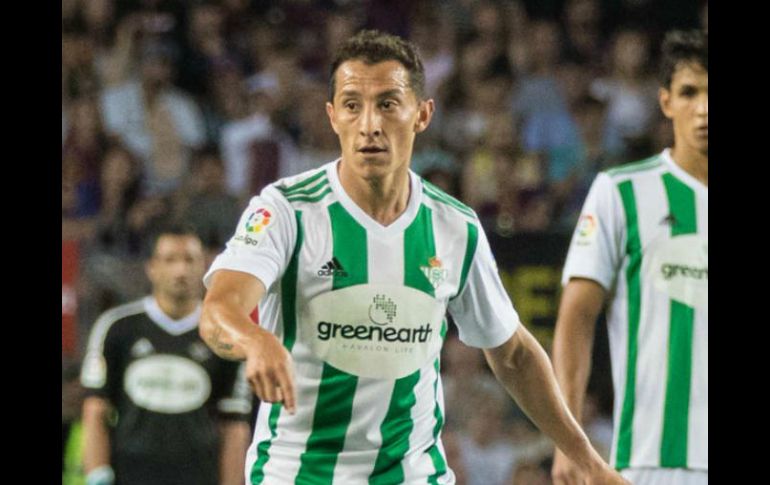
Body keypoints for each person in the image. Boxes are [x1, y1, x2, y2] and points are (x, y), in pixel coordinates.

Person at [199, 30, 626, 485]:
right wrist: (255, 341)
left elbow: (514, 354)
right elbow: (218, 310)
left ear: (422, 114)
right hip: (297, 475)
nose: (369, 124)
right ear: (332, 117)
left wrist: (588, 461)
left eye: (387, 104)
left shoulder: (454, 226)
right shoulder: (286, 210)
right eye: (351, 105)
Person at [551, 29, 707, 485]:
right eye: (689, 92)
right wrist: (568, 439)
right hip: (651, 461)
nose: (703, 108)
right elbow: (576, 317)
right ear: (666, 102)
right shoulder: (621, 192)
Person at [80, 226, 253, 485]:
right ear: (151, 267)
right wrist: (97, 476)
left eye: (189, 260)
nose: (180, 270)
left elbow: (234, 425)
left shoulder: (224, 335)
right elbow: (95, 409)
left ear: (205, 266)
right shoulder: (117, 327)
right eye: (170, 260)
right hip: (129, 477)